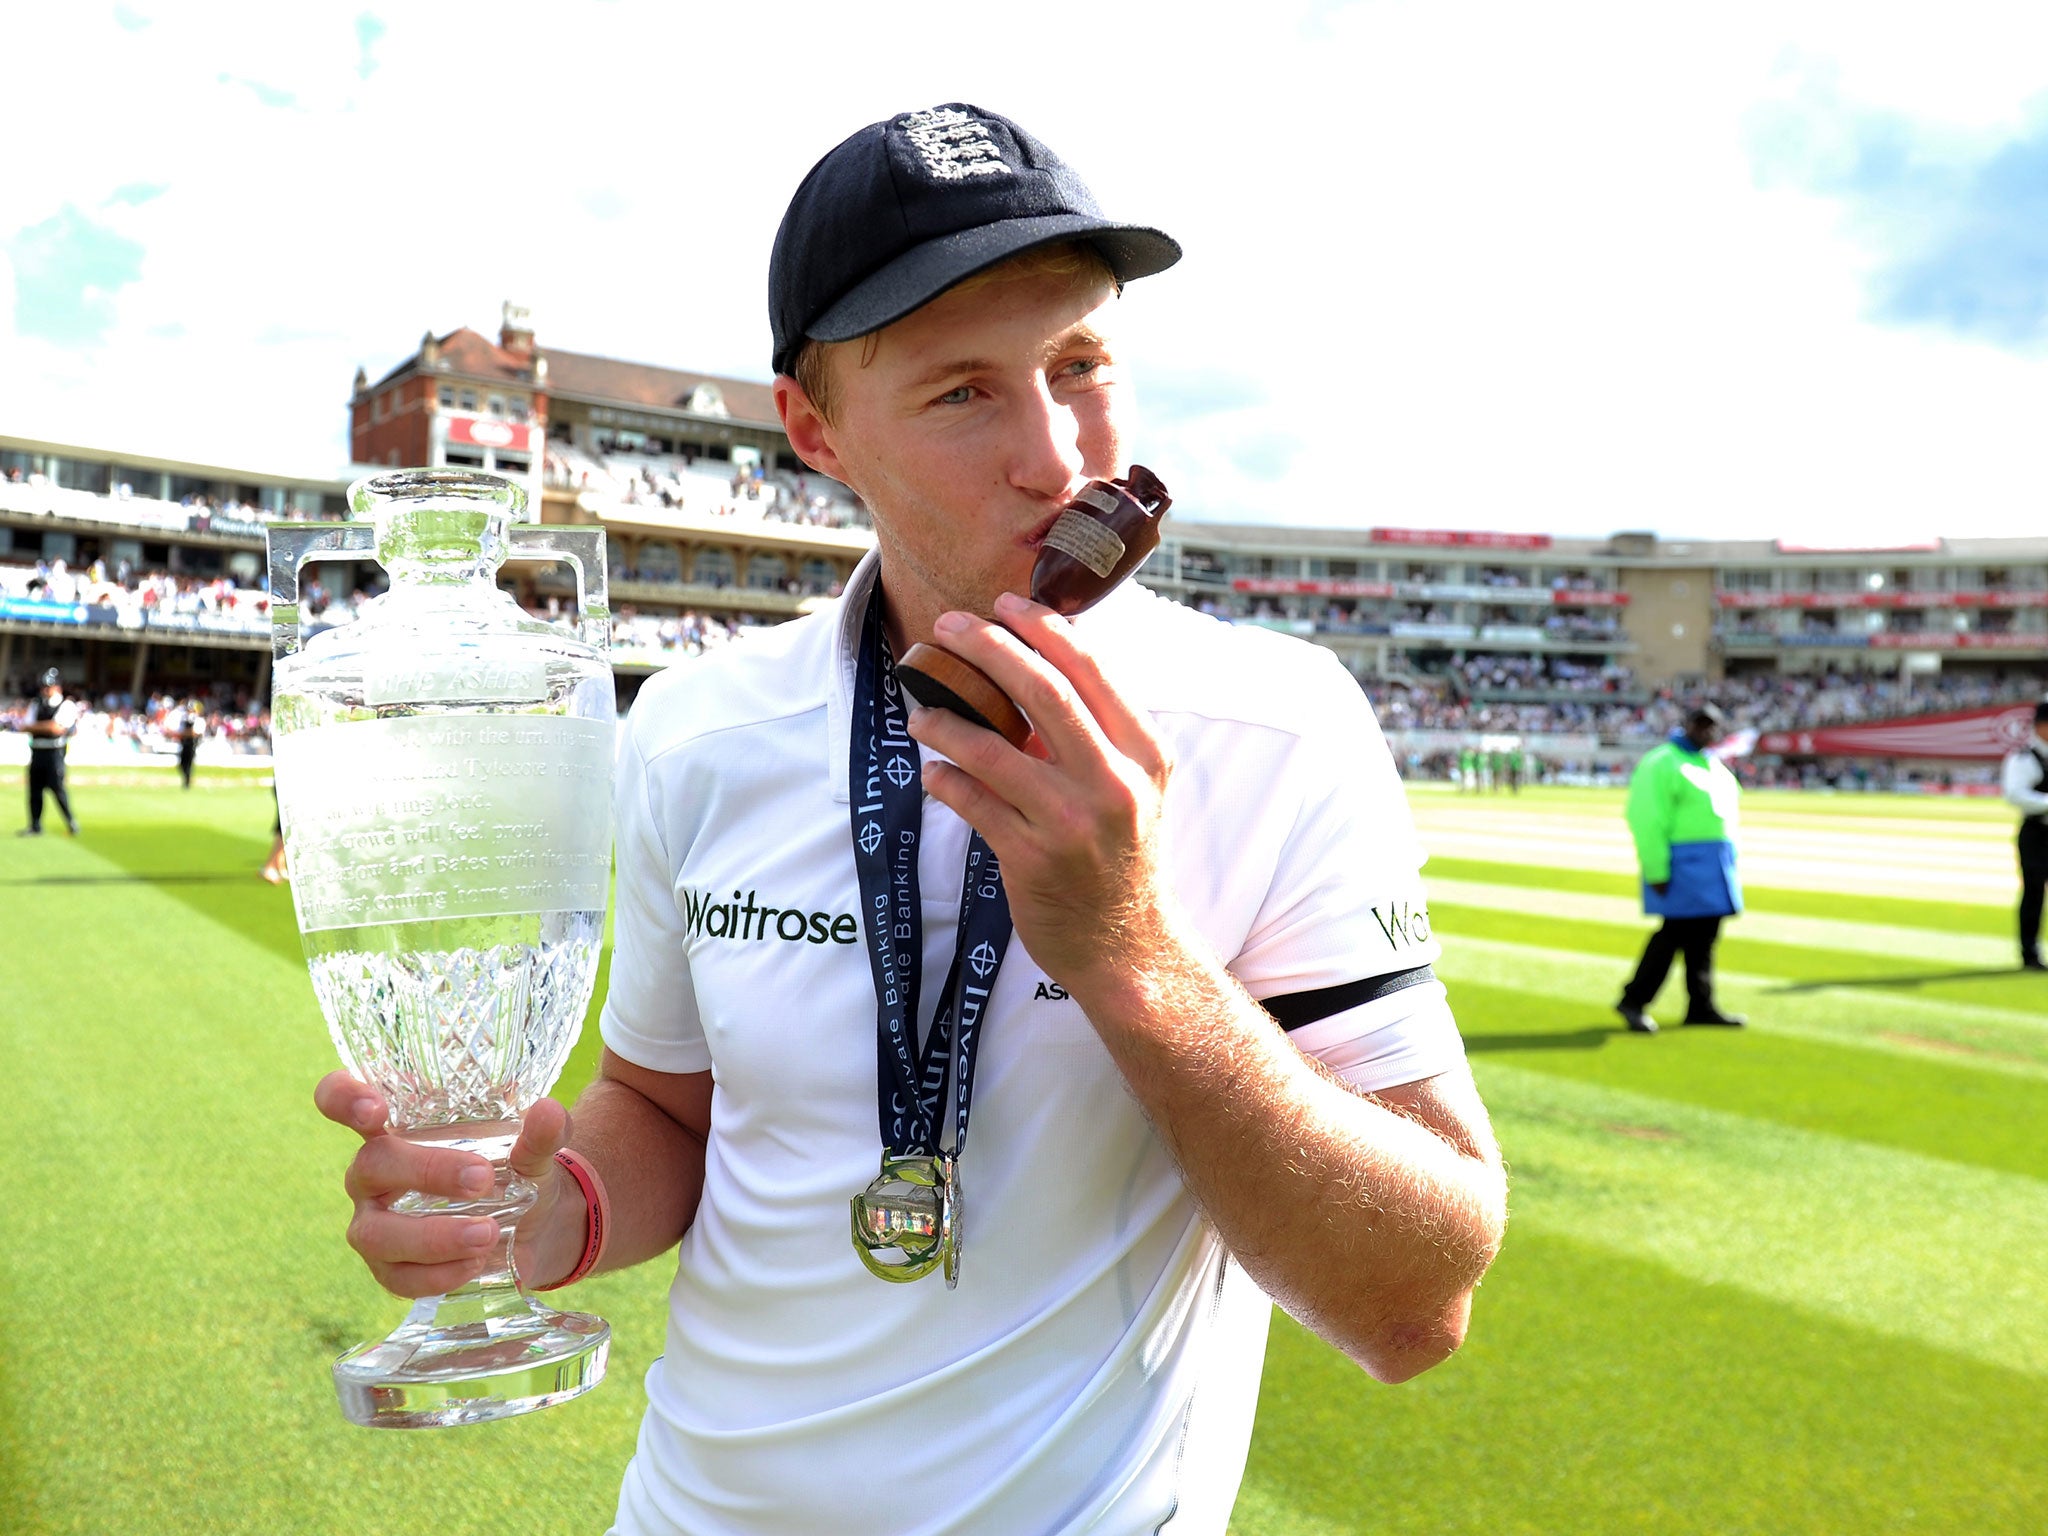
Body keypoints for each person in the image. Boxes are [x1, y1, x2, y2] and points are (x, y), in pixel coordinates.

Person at [316, 103, 1506, 1535]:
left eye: (1079, 364)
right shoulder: (700, 729)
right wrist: (538, 1213)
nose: (1058, 458)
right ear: (815, 432)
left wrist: (1130, 954)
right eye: (963, 393)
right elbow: (669, 1112)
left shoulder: (1278, 726)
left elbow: (1417, 1303)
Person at [1617, 702, 1745, 1034]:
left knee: (1704, 939)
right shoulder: (1662, 762)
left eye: (1711, 725)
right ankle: (1634, 1000)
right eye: (1699, 724)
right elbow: (1646, 819)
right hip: (1683, 865)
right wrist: (1656, 870)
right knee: (1673, 935)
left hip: (1712, 865)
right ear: (1686, 724)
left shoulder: (1711, 763)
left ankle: (1701, 1005)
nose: (1705, 731)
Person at [1997, 699, 2048, 970]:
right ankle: (2030, 953)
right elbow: (2014, 793)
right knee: (2034, 893)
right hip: (2037, 832)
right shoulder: (2024, 757)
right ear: (2040, 726)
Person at [19, 668, 79, 837]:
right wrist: (46, 726)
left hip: (54, 754)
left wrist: (39, 727)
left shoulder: (66, 705)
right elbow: (25, 726)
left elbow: (57, 729)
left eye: (49, 686)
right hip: (37, 752)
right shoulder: (37, 704)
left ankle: (70, 821)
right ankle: (35, 825)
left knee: (58, 789)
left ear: (57, 687)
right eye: (44, 686)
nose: (45, 690)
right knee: (34, 791)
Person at [172, 696, 202, 789]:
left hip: (191, 744)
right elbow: (181, 731)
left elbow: (195, 733)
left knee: (188, 764)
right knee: (182, 764)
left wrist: (187, 733)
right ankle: (186, 780)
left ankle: (187, 783)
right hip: (184, 744)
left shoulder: (197, 719)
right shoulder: (184, 718)